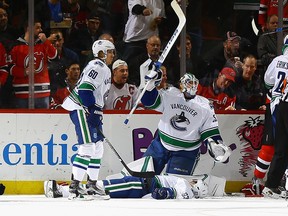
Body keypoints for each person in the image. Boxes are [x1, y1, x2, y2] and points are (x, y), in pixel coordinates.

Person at [140, 70, 232, 176]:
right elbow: (149, 101)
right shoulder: (170, 94)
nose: (192, 86)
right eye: (189, 82)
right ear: (181, 84)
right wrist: (150, 86)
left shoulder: (204, 105)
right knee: (143, 178)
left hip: (185, 152)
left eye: (194, 83)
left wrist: (216, 145)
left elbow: (210, 130)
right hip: (160, 144)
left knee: (175, 187)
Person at [61, 39, 115, 199]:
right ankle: (75, 188)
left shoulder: (104, 68)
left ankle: (91, 185)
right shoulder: (97, 66)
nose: (113, 54)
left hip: (91, 109)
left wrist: (96, 111)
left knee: (98, 148)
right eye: (110, 51)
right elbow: (85, 89)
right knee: (87, 148)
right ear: (102, 53)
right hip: (81, 108)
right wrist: (91, 110)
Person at [261, 35, 288, 198]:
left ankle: (271, 185)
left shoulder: (278, 60)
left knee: (281, 149)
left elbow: (267, 82)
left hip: (277, 105)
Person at [9, 17, 58, 109]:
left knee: (44, 122)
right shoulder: (16, 46)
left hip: (42, 92)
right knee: (22, 122)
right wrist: (24, 72)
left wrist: (46, 41)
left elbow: (54, 57)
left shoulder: (44, 44)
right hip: (22, 92)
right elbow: (10, 68)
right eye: (38, 28)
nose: (41, 30)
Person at [44, 174, 209, 200]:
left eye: (196, 182)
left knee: (103, 187)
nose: (193, 181)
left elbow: (164, 193)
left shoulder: (186, 186)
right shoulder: (187, 191)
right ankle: (64, 191)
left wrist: (164, 192)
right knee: (105, 187)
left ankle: (62, 191)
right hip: (142, 185)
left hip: (142, 185)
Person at [48, 29, 79, 99]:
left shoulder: (72, 56)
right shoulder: (44, 55)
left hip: (67, 93)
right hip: (48, 92)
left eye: (59, 40)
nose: (57, 43)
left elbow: (76, 77)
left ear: (63, 40)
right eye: (53, 41)